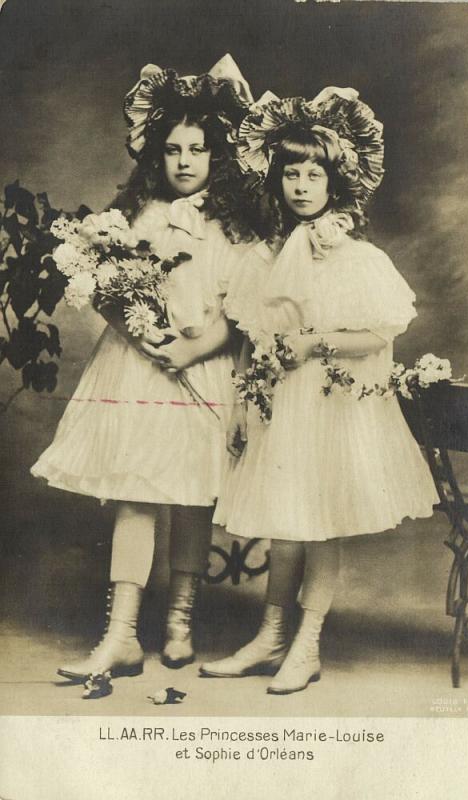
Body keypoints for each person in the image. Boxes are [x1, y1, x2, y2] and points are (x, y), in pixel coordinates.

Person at [200, 88, 438, 694]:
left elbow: (377, 334)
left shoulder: (356, 258)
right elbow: (254, 339)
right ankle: (270, 637)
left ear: (336, 181)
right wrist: (240, 408)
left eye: (314, 173)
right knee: (286, 523)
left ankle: (306, 644)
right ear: (277, 180)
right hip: (280, 404)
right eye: (291, 173)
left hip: (331, 406)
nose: (301, 186)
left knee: (321, 521)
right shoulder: (266, 255)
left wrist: (314, 343)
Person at [31, 54, 256, 680]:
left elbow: (246, 307)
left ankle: (180, 622)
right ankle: (121, 633)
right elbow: (108, 284)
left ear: (218, 156)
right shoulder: (133, 217)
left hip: (202, 367)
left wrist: (191, 347)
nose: (184, 161)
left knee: (192, 498)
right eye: (174, 150)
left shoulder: (237, 226)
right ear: (156, 155)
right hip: (136, 371)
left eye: (198, 150)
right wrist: (137, 326)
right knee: (135, 496)